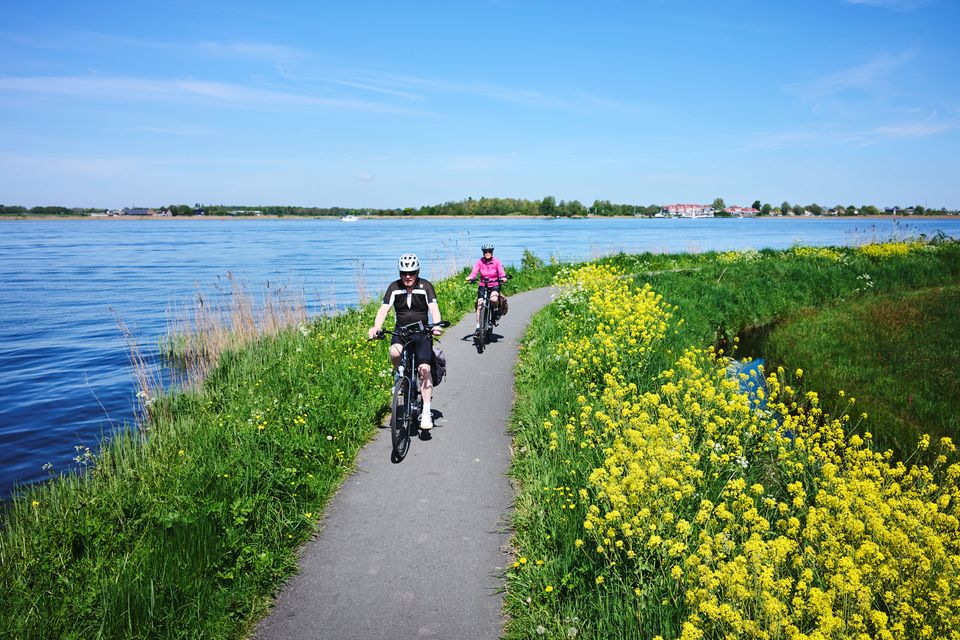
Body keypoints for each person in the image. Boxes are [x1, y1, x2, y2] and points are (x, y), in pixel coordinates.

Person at [368, 253, 443, 430]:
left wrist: (436, 325)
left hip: (422, 333)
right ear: (400, 273)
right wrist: (376, 327)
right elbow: (384, 309)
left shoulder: (426, 286)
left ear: (417, 272)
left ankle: (426, 411)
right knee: (394, 352)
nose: (407, 276)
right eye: (403, 273)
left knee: (424, 369)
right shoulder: (394, 287)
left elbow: (434, 308)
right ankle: (399, 377)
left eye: (411, 273)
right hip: (401, 331)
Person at [465, 242, 507, 337]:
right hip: (483, 285)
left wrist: (503, 277)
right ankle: (478, 327)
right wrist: (471, 277)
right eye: (485, 252)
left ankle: (496, 311)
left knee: (493, 299)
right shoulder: (480, 262)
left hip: (494, 284)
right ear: (483, 253)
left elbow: (501, 272)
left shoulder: (496, 262)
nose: (487, 253)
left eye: (489, 251)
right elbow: (474, 272)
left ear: (492, 252)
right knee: (480, 305)